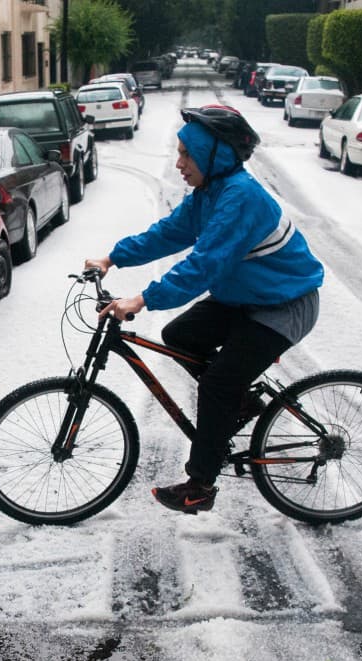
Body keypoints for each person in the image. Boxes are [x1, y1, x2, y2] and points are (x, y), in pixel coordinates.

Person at [84, 105, 324, 515]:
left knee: (216, 385)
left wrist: (141, 299)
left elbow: (203, 267)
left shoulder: (241, 198)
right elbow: (171, 232)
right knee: (180, 335)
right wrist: (112, 258)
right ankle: (242, 402)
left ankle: (200, 484)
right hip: (246, 297)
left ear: (215, 155)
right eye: (178, 153)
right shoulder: (211, 193)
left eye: (186, 155)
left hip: (283, 305)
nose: (179, 164)